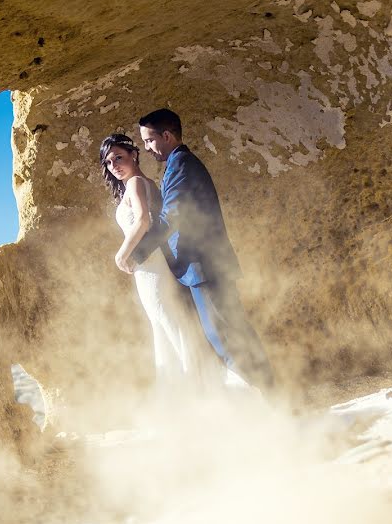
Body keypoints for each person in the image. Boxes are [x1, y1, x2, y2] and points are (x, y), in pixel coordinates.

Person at [131, 109, 277, 393]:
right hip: (201, 269)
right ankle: (274, 398)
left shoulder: (182, 164)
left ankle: (274, 401)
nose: (147, 148)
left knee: (226, 339)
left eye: (149, 141)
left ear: (167, 135)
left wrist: (138, 254)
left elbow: (172, 216)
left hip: (204, 267)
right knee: (232, 335)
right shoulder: (178, 163)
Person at [101, 133, 241, 396]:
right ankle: (193, 396)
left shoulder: (135, 184)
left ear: (134, 154)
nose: (114, 166)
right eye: (108, 163)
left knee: (170, 326)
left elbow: (143, 221)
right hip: (153, 264)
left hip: (152, 267)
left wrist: (121, 254)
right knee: (168, 325)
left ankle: (198, 396)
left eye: (119, 157)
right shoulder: (148, 183)